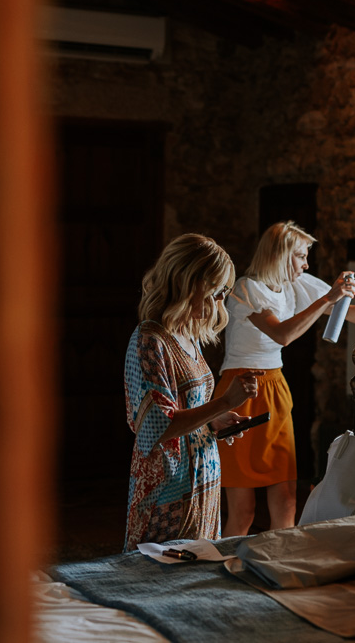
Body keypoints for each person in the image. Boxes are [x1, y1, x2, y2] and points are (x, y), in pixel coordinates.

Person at [214, 220, 355, 536]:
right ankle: (223, 575)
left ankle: (278, 565)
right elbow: (282, 334)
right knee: (243, 510)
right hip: (239, 392)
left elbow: (346, 309)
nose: (306, 263)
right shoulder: (247, 289)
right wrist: (328, 298)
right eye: (300, 256)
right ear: (281, 255)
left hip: (274, 387)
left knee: (286, 499)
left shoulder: (296, 285)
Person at [123, 233, 263, 551]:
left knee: (194, 576)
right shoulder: (149, 340)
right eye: (214, 293)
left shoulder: (188, 334)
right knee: (160, 576)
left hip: (202, 480)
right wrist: (226, 400)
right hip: (167, 489)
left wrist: (216, 418)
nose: (219, 304)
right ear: (187, 283)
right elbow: (156, 427)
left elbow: (187, 406)